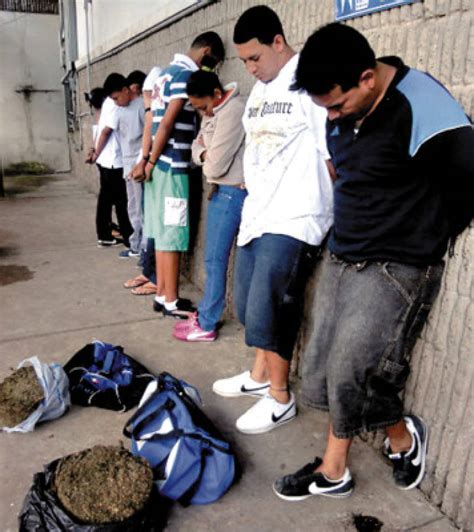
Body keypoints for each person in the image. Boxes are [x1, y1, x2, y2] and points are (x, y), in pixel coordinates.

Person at [273, 23, 474, 501]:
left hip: (397, 262)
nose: (333, 117)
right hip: (345, 252)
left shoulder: (421, 102)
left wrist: (430, 231)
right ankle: (397, 437)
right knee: (322, 370)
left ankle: (337, 465)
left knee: (353, 368)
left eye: (337, 106)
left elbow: (468, 175)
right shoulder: (340, 103)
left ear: (367, 78)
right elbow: (343, 164)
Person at [211, 6, 334, 435]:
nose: (250, 67)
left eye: (255, 58)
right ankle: (260, 374)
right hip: (258, 213)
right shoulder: (261, 89)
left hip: (296, 214)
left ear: (278, 43)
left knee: (274, 304)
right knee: (246, 302)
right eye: (243, 60)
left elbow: (330, 154)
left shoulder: (308, 84)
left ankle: (279, 397)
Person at [143, 32, 225, 319]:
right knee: (173, 234)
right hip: (173, 165)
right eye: (214, 63)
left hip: (158, 165)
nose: (213, 69)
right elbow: (165, 123)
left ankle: (162, 294)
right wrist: (151, 161)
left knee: (163, 233)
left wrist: (146, 159)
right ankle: (171, 298)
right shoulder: (183, 77)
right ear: (206, 52)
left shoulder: (163, 75)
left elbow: (149, 120)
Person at [173, 70, 246, 342]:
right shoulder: (215, 112)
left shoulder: (234, 110)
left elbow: (214, 165)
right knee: (212, 260)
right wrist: (205, 151)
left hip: (231, 192)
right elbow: (197, 147)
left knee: (215, 260)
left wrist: (205, 152)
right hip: (221, 190)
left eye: (203, 107)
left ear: (216, 94)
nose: (203, 114)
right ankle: (206, 313)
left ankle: (207, 322)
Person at [123, 66, 163, 294]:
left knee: (155, 226)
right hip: (147, 168)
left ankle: (154, 276)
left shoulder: (157, 109)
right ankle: (148, 271)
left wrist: (146, 163)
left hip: (161, 172)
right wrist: (142, 163)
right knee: (148, 220)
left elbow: (153, 137)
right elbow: (147, 139)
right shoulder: (151, 110)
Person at [89, 74, 133, 248]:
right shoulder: (115, 104)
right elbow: (105, 131)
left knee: (106, 198)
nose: (116, 101)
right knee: (122, 201)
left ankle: (104, 234)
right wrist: (95, 153)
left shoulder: (107, 102)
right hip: (114, 160)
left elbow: (99, 127)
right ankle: (129, 238)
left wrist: (95, 153)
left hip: (105, 161)